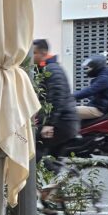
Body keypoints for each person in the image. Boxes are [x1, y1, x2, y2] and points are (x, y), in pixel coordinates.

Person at [32, 39, 79, 167]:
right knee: (52, 160)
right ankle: (56, 183)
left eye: (34, 53)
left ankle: (57, 178)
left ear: (43, 53)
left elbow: (57, 98)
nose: (31, 56)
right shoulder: (44, 68)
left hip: (62, 123)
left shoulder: (52, 69)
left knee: (34, 151)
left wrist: (49, 124)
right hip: (63, 122)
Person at [74, 54, 108, 120]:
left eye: (89, 67)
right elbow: (95, 94)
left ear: (96, 67)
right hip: (96, 107)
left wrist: (71, 96)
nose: (88, 70)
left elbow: (90, 90)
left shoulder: (104, 78)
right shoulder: (103, 77)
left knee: (67, 112)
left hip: (98, 110)